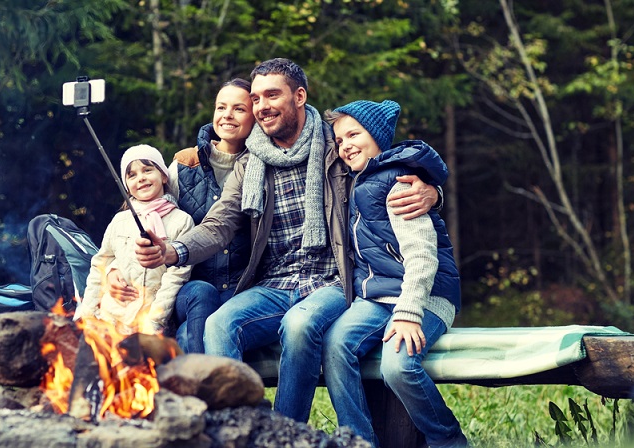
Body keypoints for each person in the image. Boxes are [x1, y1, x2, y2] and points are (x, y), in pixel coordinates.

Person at [134, 58, 440, 423]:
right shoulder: (251, 163)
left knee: (298, 326)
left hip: (333, 280)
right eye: (257, 98)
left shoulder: (334, 146)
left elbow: (387, 164)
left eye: (272, 95)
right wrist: (172, 250)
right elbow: (220, 223)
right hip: (276, 282)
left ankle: (285, 431)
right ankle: (242, 428)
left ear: (299, 96)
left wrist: (433, 189)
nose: (262, 106)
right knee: (218, 324)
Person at [322, 100, 466, 447]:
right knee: (335, 345)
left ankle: (448, 440)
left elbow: (422, 257)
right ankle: (358, 441)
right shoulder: (359, 181)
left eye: (354, 134)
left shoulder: (400, 184)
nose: (345, 146)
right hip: (377, 298)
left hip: (424, 298)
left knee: (397, 367)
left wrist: (407, 314)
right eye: (339, 140)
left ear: (377, 136)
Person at [104, 79, 254, 352]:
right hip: (188, 288)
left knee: (188, 337)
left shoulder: (261, 167)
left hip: (241, 288)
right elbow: (142, 213)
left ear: (255, 115)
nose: (227, 115)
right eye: (221, 107)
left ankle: (201, 388)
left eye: (239, 109)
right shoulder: (185, 164)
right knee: (200, 295)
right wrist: (112, 270)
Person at [75, 144, 194, 335]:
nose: (141, 178)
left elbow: (177, 276)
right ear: (127, 187)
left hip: (148, 323)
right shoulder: (120, 220)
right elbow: (100, 264)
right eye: (132, 175)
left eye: (148, 170)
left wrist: (154, 321)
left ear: (163, 176)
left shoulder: (182, 221)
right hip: (110, 318)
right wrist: (88, 315)